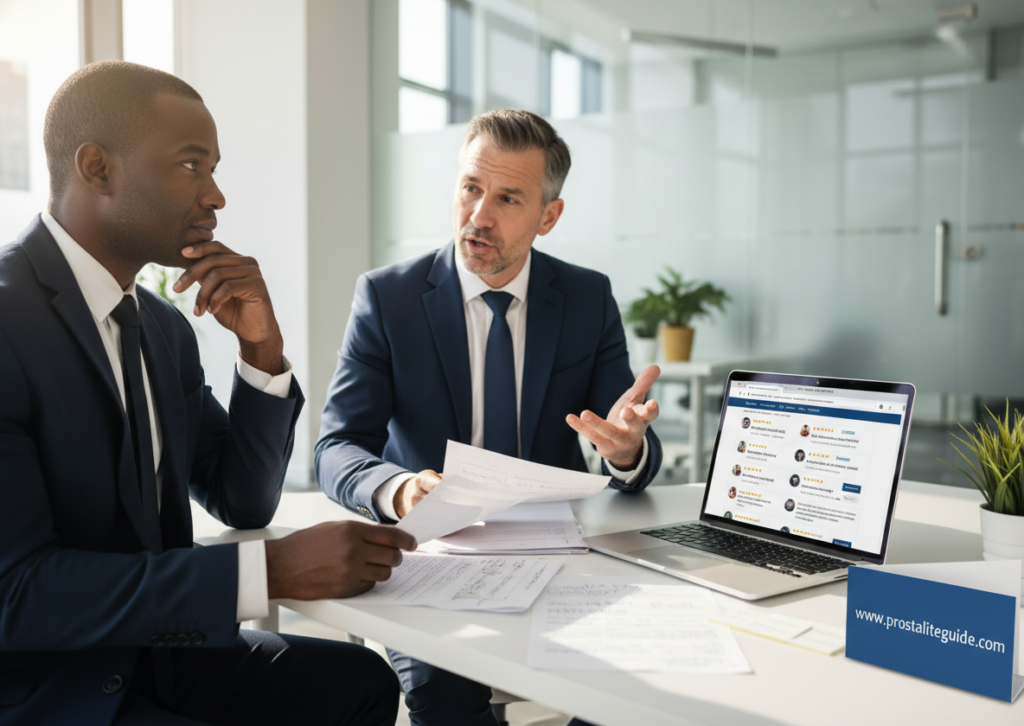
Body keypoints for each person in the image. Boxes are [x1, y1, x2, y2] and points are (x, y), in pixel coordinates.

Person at [0, 61, 416, 726]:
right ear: (98, 167)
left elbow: (241, 497)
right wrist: (265, 573)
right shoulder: (8, 323)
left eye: (214, 169)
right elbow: (15, 594)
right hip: (52, 688)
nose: (216, 196)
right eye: (192, 166)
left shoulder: (161, 328)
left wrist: (262, 351)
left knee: (360, 679)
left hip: (163, 656)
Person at [316, 109, 663, 726]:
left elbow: (627, 430)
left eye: (507, 198)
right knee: (446, 701)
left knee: (632, 690)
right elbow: (337, 446)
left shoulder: (586, 298)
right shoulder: (388, 298)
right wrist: (398, 489)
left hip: (562, 553)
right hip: (437, 555)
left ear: (548, 217)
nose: (479, 215)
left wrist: (627, 450)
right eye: (471, 188)